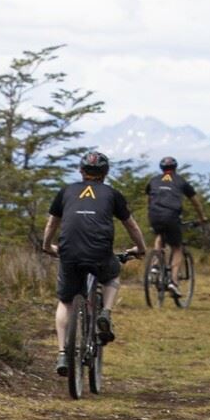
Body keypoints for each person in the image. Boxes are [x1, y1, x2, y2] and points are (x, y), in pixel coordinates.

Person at [42, 151, 148, 376]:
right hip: (100, 253)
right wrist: (140, 248)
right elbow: (132, 226)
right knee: (112, 275)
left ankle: (62, 353)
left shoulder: (66, 191)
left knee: (66, 301)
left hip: (69, 253)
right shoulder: (112, 194)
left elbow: (52, 224)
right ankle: (105, 314)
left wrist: (47, 246)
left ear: (81, 171)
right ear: (106, 173)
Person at [145, 156, 207, 298]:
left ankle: (155, 264)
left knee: (160, 235)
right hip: (172, 216)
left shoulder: (153, 180)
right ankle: (173, 281)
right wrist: (202, 217)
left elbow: (149, 198)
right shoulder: (180, 181)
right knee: (177, 247)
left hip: (154, 215)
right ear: (175, 168)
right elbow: (195, 201)